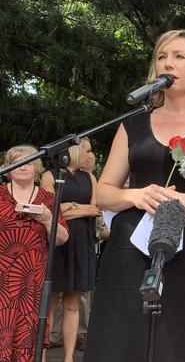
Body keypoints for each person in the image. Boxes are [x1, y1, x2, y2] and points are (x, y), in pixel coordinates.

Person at [82, 29, 185, 362]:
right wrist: (137, 196)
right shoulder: (133, 125)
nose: (168, 62)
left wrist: (184, 201)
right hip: (128, 248)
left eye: (179, 56)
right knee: (122, 340)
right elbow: (103, 193)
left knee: (180, 342)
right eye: (161, 56)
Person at [0, 145, 69, 362]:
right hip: (2, 280)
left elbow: (63, 238)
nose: (23, 166)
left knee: (28, 338)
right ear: (7, 168)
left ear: (37, 168)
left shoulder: (48, 198)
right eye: (17, 162)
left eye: (28, 162)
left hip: (32, 282)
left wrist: (48, 219)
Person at [41, 137, 102, 362]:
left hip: (82, 243)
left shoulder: (90, 178)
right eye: (87, 150)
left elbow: (96, 210)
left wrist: (69, 206)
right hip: (57, 243)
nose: (90, 155)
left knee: (73, 303)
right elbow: (51, 212)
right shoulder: (51, 175)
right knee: (50, 303)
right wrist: (77, 208)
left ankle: (69, 358)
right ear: (75, 151)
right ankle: (42, 356)